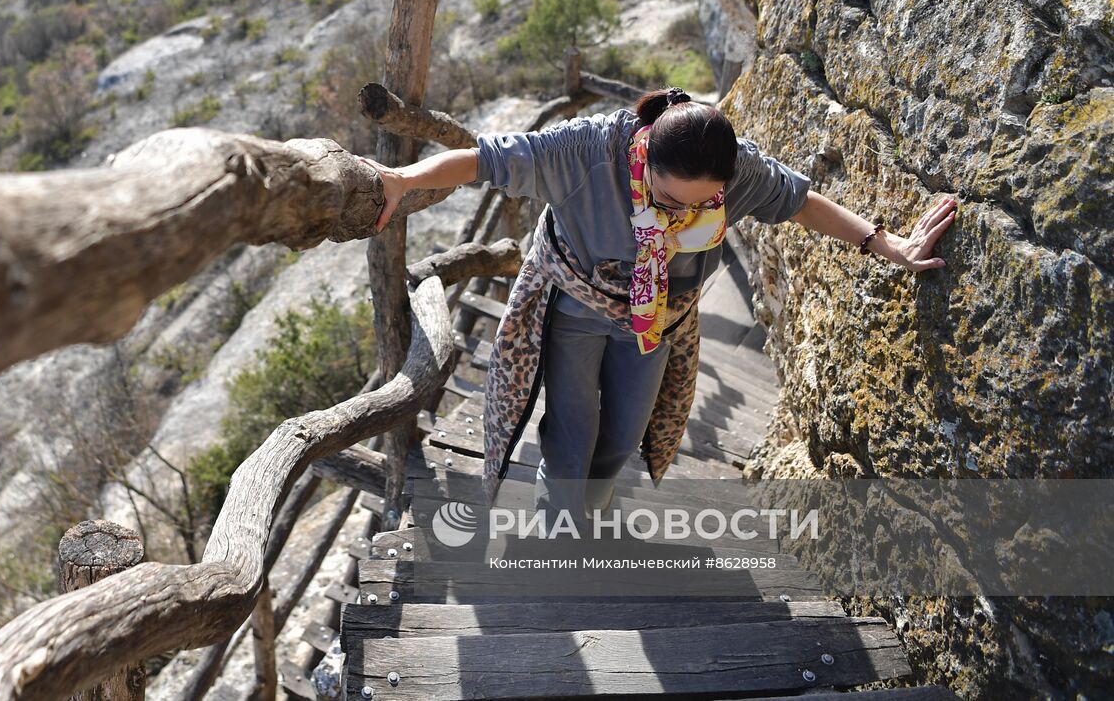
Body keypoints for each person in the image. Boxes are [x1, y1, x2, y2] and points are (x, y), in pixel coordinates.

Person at [359, 87, 956, 526]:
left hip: (658, 319)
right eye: (668, 199)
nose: (679, 214)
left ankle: (592, 515)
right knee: (572, 433)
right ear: (645, 158)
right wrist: (402, 180)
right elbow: (483, 159)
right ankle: (560, 539)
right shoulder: (586, 152)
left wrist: (888, 245)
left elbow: (799, 200)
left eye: (702, 204)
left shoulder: (737, 170)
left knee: (623, 435)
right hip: (577, 306)